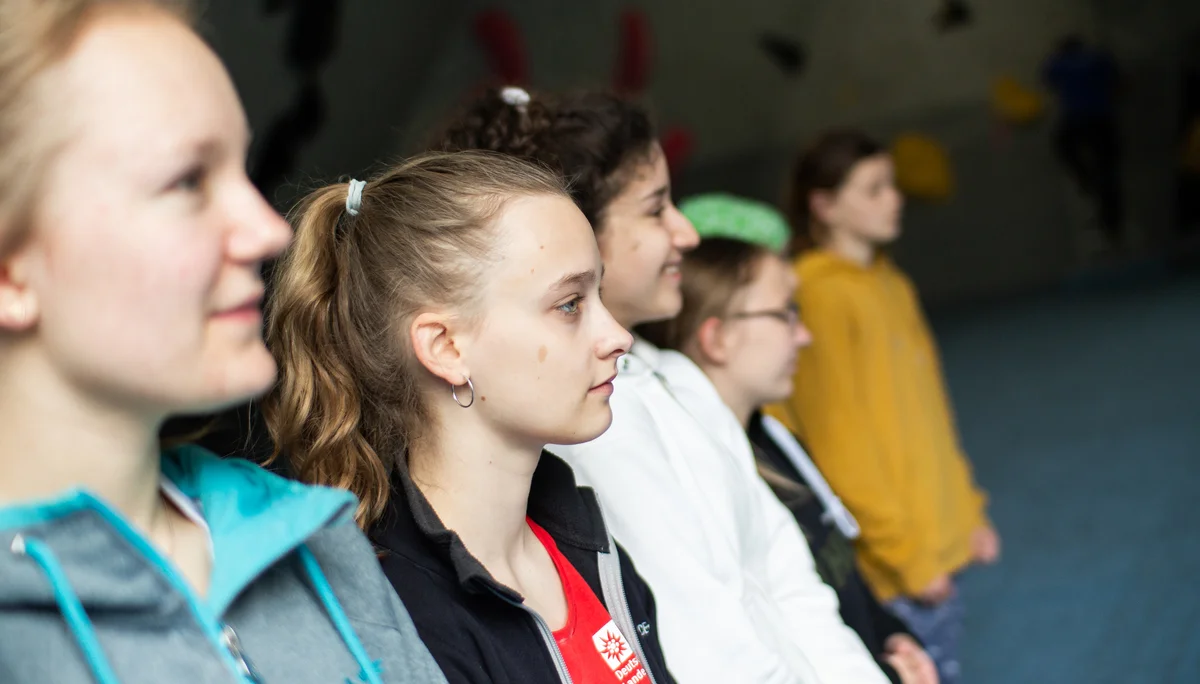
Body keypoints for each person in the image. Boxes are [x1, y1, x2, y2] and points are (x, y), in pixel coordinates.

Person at [0, 2, 446, 683]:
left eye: (241, 171)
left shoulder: (314, 539)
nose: (269, 229)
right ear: (10, 272)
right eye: (186, 180)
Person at [438, 87, 890, 684]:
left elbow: (787, 577)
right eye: (656, 210)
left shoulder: (676, 378)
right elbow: (696, 642)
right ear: (577, 233)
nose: (686, 232)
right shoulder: (573, 428)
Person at [263, 150, 676, 684]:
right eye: (570, 304)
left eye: (599, 292)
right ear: (446, 348)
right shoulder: (402, 623)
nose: (618, 336)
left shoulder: (585, 546)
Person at [639, 195, 939, 684]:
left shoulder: (772, 435)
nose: (804, 336)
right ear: (719, 339)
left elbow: (842, 572)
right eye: (784, 314)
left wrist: (892, 634)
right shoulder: (704, 474)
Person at [769, 128, 999, 684]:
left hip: (935, 548)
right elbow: (838, 447)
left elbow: (931, 415)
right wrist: (907, 557)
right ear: (823, 206)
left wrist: (968, 510)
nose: (894, 199)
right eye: (873, 189)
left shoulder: (890, 283)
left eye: (891, 185)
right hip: (899, 570)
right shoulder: (818, 296)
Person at [1042, 34, 1124, 247]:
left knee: (1063, 148)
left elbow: (1048, 80)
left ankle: (1086, 179)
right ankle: (1112, 220)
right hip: (1102, 119)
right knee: (1108, 170)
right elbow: (1117, 81)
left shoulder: (1059, 63)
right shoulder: (1099, 58)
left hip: (1077, 120)